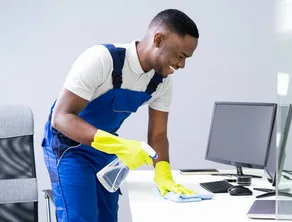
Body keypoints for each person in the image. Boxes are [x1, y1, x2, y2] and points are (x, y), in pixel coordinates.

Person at [41, 9, 198, 222]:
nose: (182, 65)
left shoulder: (161, 82)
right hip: (69, 148)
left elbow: (158, 135)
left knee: (107, 218)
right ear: (159, 39)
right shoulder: (102, 60)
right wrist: (121, 146)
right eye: (180, 56)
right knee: (81, 217)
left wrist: (163, 172)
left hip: (105, 150)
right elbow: (61, 118)